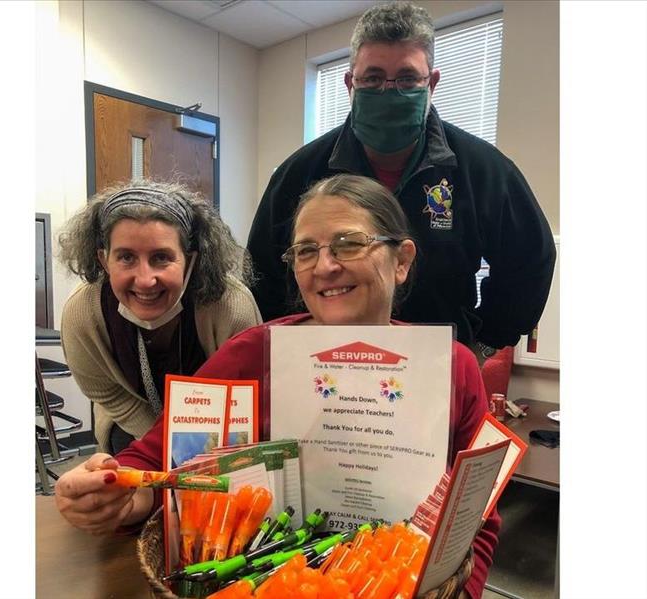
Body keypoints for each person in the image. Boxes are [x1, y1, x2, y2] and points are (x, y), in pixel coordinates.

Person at [55, 175, 499, 599]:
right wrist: (123, 497)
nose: (325, 266)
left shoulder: (453, 368)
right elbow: (156, 459)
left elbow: (479, 515)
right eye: (306, 251)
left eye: (348, 243)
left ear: (401, 261)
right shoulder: (253, 352)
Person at [247, 1, 556, 363]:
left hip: (436, 367)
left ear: (432, 83)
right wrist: (288, 346)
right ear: (350, 84)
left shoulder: (483, 170)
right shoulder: (301, 173)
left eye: (407, 78)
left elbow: (531, 259)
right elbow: (261, 272)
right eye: (373, 78)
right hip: (324, 362)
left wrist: (483, 344)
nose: (390, 91)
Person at [57, 180, 262, 453]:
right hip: (131, 419)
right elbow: (107, 392)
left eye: (161, 257)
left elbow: (247, 398)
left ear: (191, 260)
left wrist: (194, 449)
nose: (145, 280)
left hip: (219, 427)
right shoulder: (82, 313)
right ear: (104, 260)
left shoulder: (231, 306)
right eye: (126, 257)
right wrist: (162, 447)